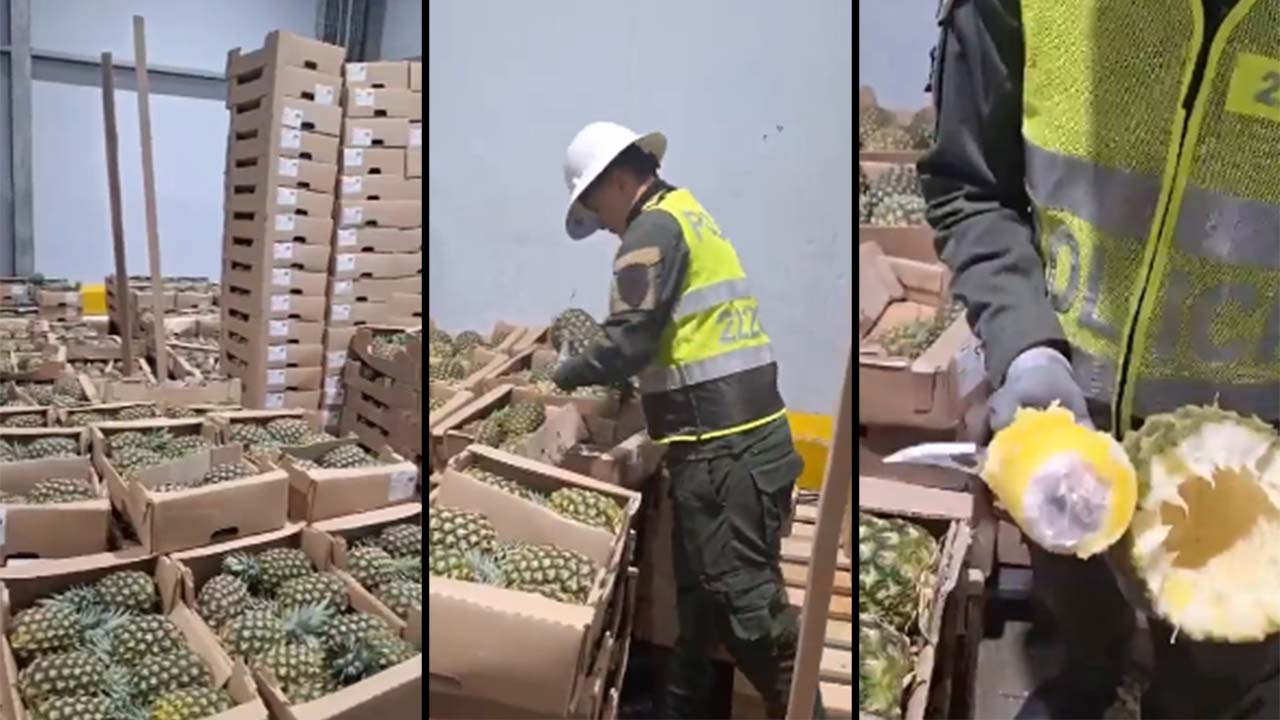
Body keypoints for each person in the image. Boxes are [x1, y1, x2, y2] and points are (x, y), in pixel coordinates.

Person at [918, 1, 1279, 718]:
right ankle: (1091, 676)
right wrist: (1025, 347)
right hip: (1068, 431)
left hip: (1258, 472)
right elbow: (971, 185)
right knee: (1079, 634)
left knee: (1216, 683)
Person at [551, 121, 824, 719]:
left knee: (751, 618)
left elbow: (628, 341)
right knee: (698, 602)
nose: (602, 225)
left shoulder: (650, 230)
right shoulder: (688, 212)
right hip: (735, 443)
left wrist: (567, 372)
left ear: (616, 180)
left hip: (723, 451)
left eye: (595, 207)